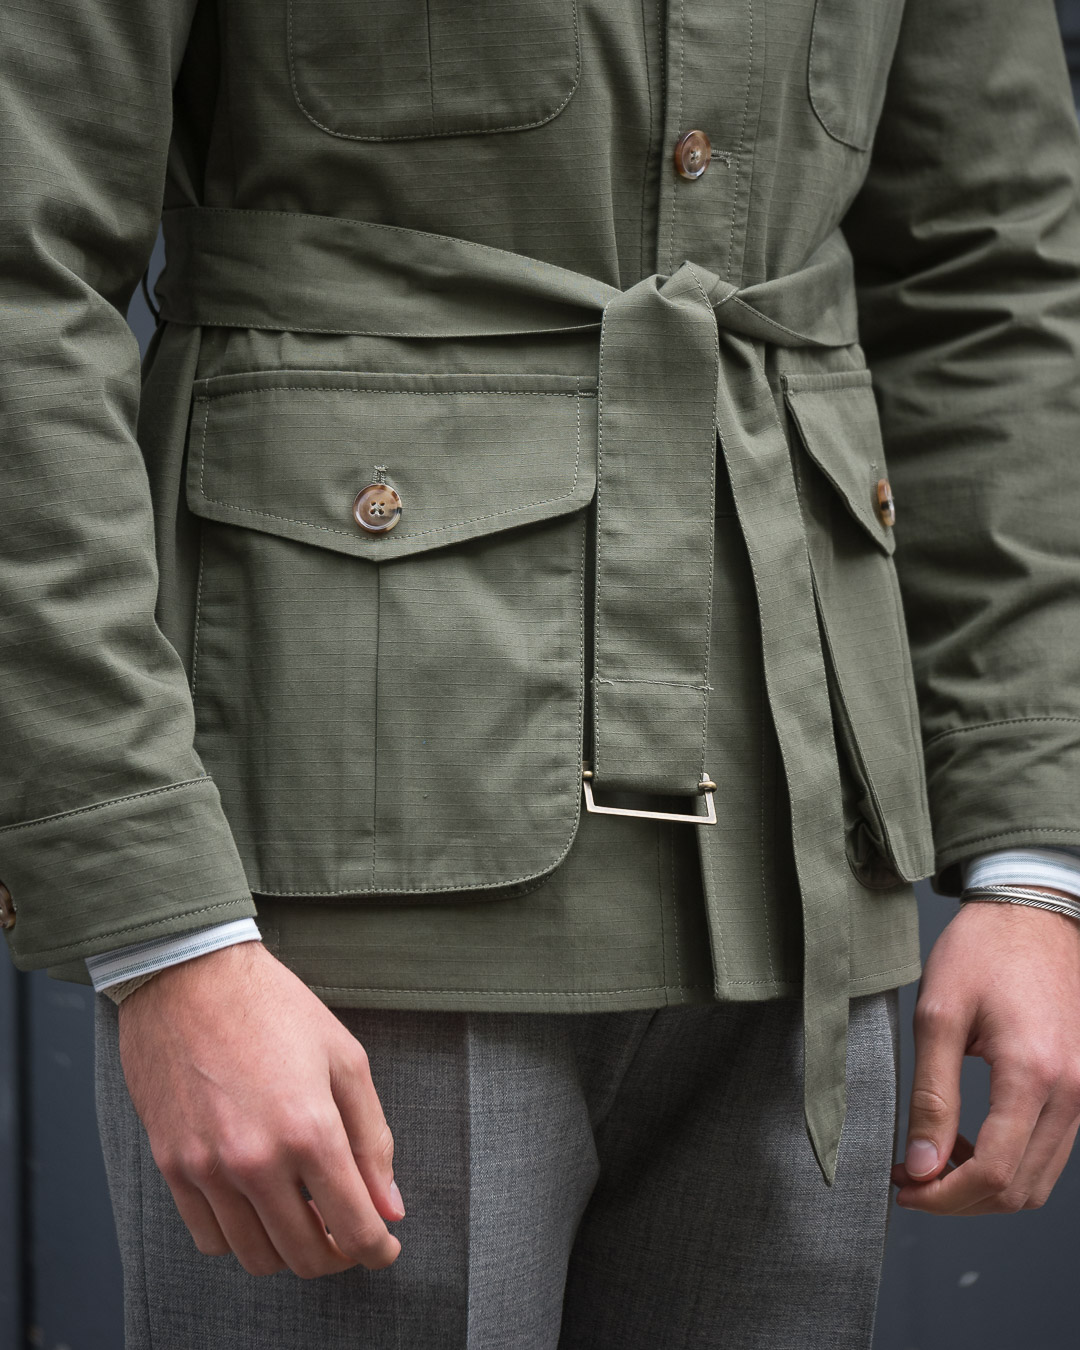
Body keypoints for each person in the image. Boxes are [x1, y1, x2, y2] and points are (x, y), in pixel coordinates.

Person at [3, 0, 1080, 1346]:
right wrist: (167, 938)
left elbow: (988, 283)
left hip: (805, 853)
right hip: (340, 869)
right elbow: (22, 278)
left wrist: (1035, 864)